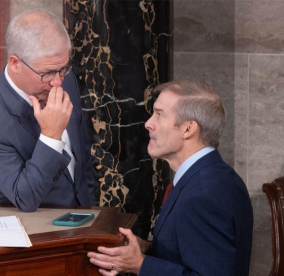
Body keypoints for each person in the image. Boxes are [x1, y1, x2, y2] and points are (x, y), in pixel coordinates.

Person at [87, 80, 253, 276]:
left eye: (159, 114)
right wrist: (148, 249)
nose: (148, 124)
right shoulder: (213, 176)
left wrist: (140, 265)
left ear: (188, 129)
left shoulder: (203, 195)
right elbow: (193, 254)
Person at [0, 10, 94, 212]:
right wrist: (51, 135)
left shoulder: (64, 80)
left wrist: (91, 211)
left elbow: (83, 160)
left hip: (84, 222)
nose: (58, 82)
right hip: (33, 237)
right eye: (47, 73)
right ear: (15, 63)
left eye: (63, 69)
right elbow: (25, 198)